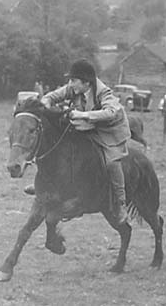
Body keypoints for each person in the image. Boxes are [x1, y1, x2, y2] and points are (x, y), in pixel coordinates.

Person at [25, 59, 130, 225]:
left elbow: (110, 112)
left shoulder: (104, 93)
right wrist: (45, 104)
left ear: (86, 82)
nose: (70, 84)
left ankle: (120, 202)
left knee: (111, 163)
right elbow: (52, 96)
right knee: (61, 145)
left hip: (109, 133)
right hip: (86, 127)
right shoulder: (74, 87)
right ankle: (44, 184)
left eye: (73, 80)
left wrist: (82, 115)